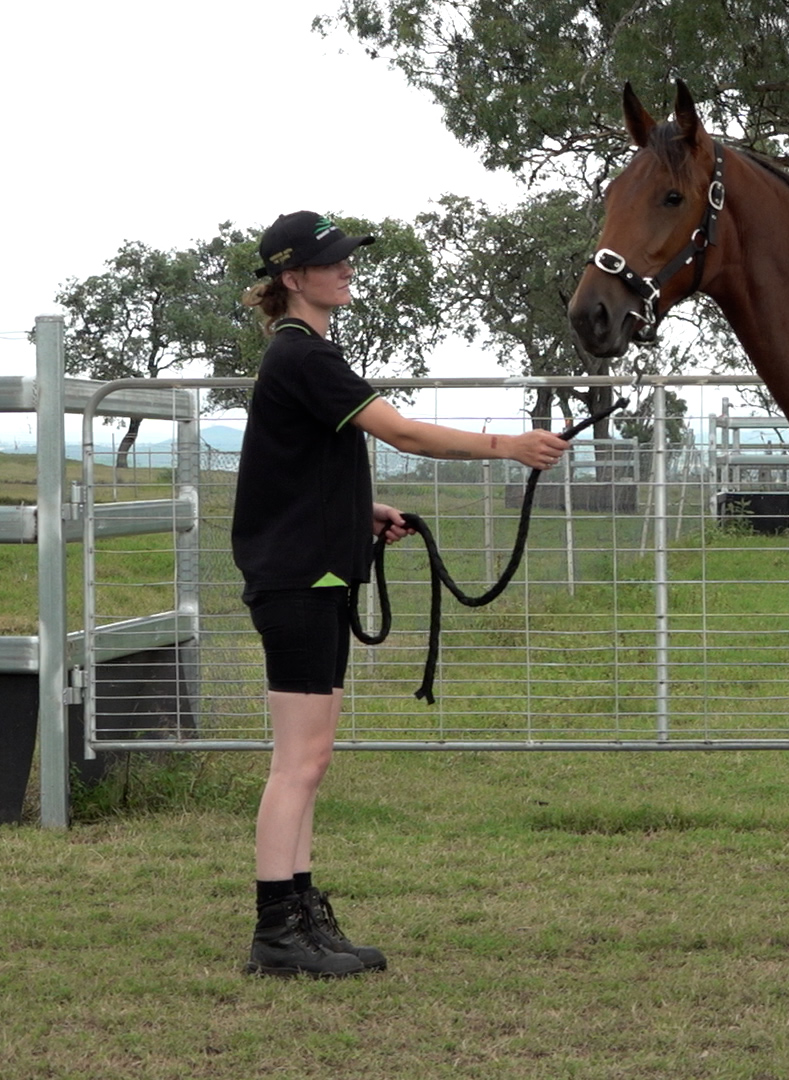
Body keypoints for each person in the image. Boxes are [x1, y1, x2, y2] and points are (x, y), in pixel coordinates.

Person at [232, 211, 573, 977]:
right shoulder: (303, 355)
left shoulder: (307, 353)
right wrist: (508, 446)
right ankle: (276, 932)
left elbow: (303, 470)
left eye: (347, 258)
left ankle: (300, 916)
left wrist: (364, 511)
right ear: (294, 278)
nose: (347, 268)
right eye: (333, 261)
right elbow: (405, 434)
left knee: (310, 759)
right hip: (298, 579)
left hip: (315, 572)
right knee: (298, 762)